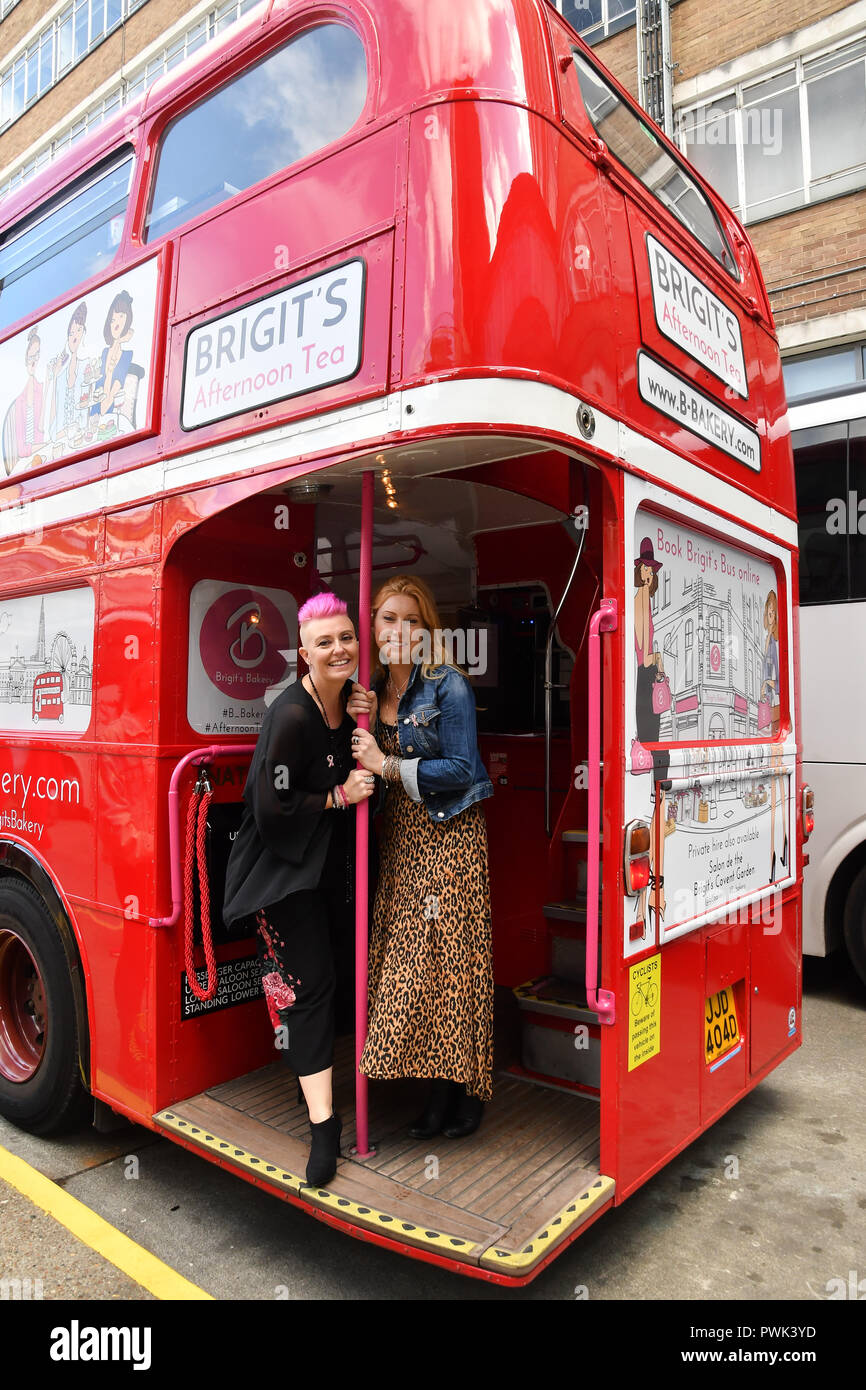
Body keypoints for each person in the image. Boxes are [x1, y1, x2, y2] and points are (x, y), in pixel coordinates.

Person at [222, 592, 375, 1185]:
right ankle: (323, 1128)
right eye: (325, 642)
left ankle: (323, 1090)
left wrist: (365, 719)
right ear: (303, 655)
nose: (339, 649)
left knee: (335, 974)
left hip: (325, 868)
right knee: (310, 987)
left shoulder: (348, 707)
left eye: (346, 638)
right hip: (279, 874)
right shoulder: (290, 715)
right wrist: (338, 796)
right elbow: (270, 809)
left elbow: (364, 776)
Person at [351, 575, 494, 1139]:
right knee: (416, 966)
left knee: (449, 966)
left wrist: (386, 765)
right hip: (403, 840)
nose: (400, 629)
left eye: (412, 620)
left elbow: (460, 768)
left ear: (428, 629)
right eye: (389, 618)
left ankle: (461, 1095)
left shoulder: (448, 686)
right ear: (375, 625)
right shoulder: (375, 691)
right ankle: (436, 1094)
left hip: (450, 838)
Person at [634, 537, 670, 926]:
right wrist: (658, 660)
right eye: (645, 568)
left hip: (646, 681)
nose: (648, 573)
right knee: (652, 734)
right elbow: (644, 653)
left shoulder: (642, 599)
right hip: (646, 683)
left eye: (650, 569)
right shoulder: (641, 600)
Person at [760, 588, 787, 881]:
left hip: (775, 709)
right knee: (775, 783)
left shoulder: (775, 642)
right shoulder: (769, 640)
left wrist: (767, 682)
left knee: (776, 781)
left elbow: (777, 679)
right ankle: (778, 847)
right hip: (771, 708)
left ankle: (777, 850)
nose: (770, 617)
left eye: (773, 613)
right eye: (768, 612)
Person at [46, 301, 88, 450]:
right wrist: (53, 377)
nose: (74, 337)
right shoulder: (61, 376)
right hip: (63, 445)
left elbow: (88, 413)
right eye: (71, 333)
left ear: (84, 333)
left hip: (82, 442)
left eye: (78, 331)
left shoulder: (87, 367)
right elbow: (52, 425)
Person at [91, 289, 135, 421]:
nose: (116, 323)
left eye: (121, 316)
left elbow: (105, 407)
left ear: (127, 320)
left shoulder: (126, 356)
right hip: (94, 420)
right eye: (113, 319)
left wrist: (109, 373)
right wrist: (119, 340)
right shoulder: (104, 354)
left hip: (109, 420)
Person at [12, 327, 45, 465]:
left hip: (43, 457)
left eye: (37, 355)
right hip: (27, 464)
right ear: (26, 360)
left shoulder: (43, 389)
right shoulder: (19, 401)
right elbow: (21, 450)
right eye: (31, 357)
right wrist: (45, 445)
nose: (34, 361)